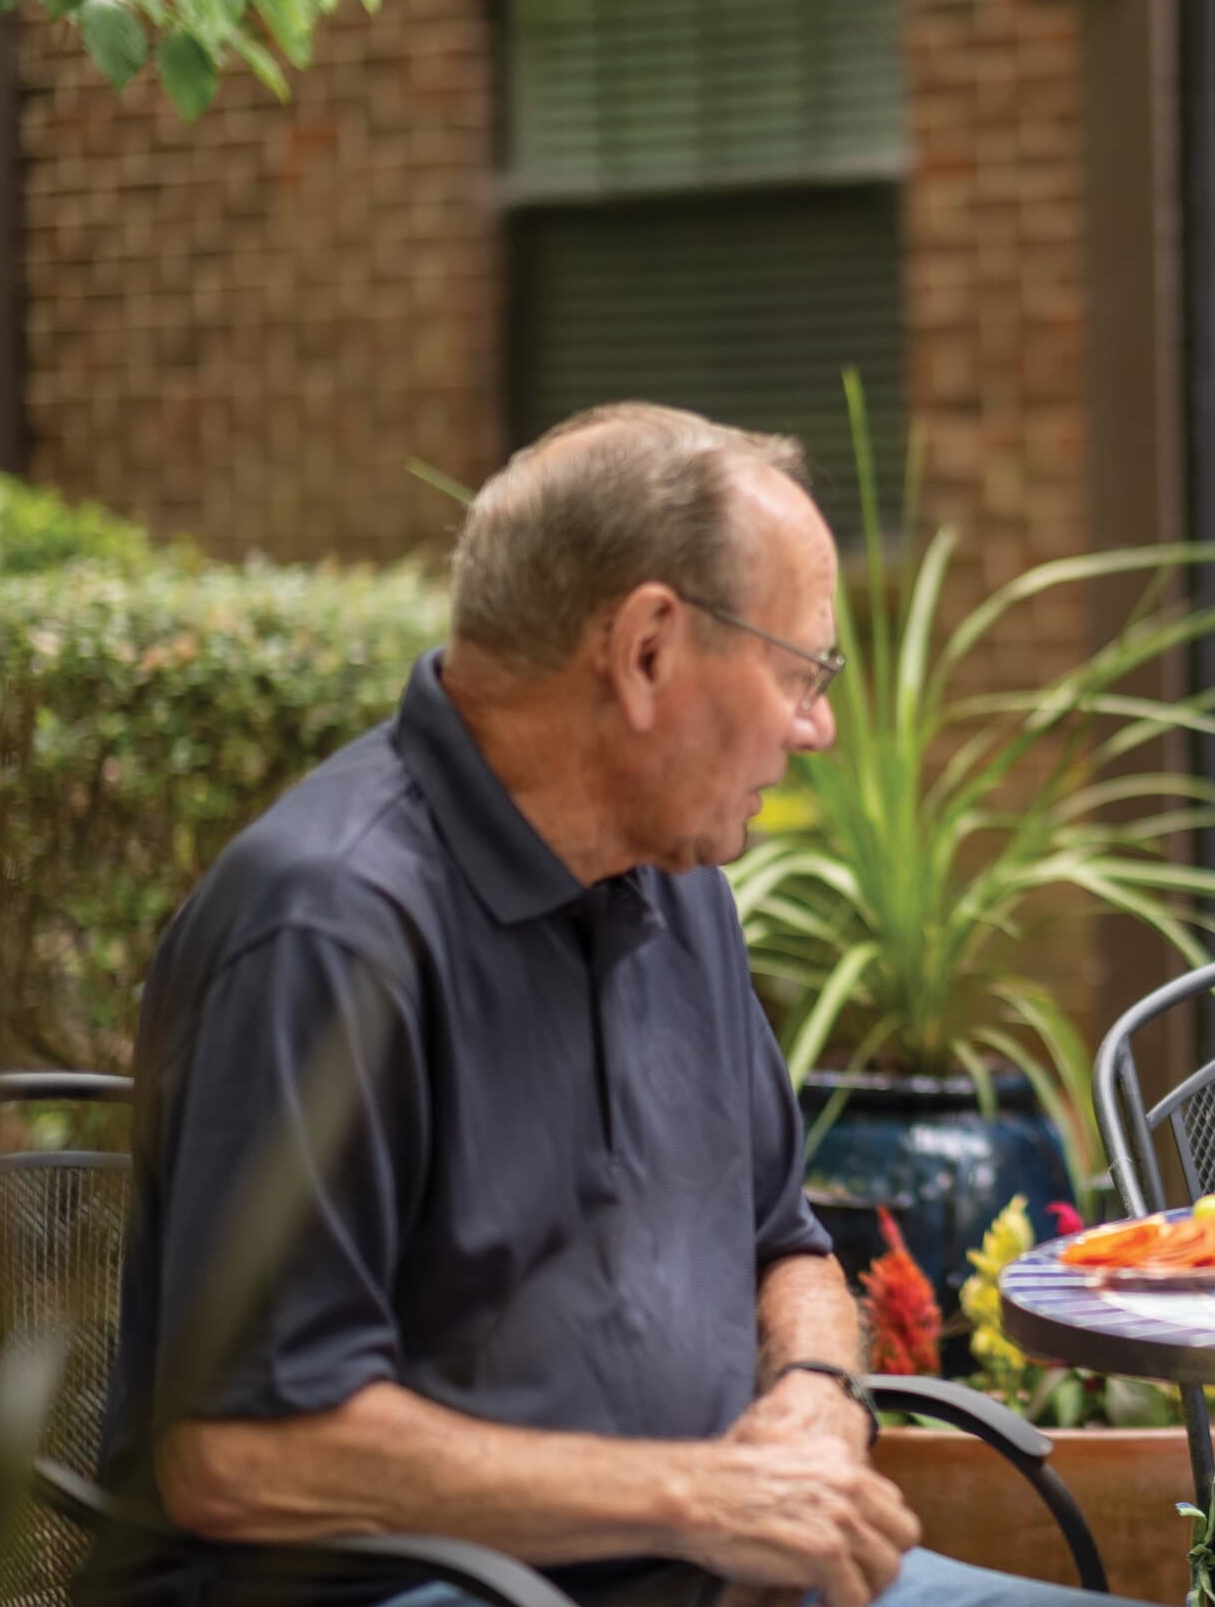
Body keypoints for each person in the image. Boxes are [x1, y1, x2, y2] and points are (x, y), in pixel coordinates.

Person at [88, 404, 1107, 1607]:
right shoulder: (326, 922)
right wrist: (694, 1494)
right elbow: (243, 1452)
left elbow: (787, 1250)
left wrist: (814, 1403)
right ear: (647, 653)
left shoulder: (676, 882)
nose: (816, 725)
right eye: (800, 669)